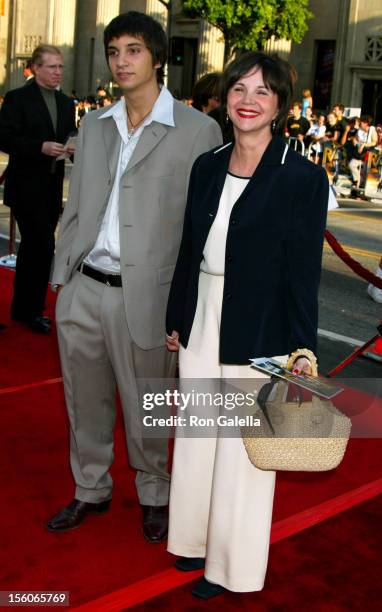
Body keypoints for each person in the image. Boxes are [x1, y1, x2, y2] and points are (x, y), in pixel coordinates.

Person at [46, 12, 221, 540]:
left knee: (148, 403)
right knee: (84, 399)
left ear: (158, 58)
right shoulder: (94, 124)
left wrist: (184, 306)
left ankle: (154, 493)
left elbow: (201, 227)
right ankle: (90, 489)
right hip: (85, 287)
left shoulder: (197, 130)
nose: (121, 61)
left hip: (147, 296)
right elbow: (78, 206)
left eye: (134, 50)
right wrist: (61, 278)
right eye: (114, 51)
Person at [166, 51, 328, 599]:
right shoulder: (207, 164)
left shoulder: (301, 177)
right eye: (239, 88)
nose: (248, 100)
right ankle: (190, 540)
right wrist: (178, 317)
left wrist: (303, 344)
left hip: (261, 325)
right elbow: (189, 250)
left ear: (279, 103)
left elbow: (304, 272)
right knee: (196, 436)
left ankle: (230, 567)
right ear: (225, 97)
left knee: (243, 452)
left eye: (262, 91)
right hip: (204, 314)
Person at [0, 44, 76, 333]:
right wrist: (38, 147)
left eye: (60, 67)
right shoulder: (18, 99)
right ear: (35, 67)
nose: (58, 72)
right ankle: (29, 310)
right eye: (52, 66)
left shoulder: (66, 103)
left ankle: (25, 308)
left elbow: (70, 136)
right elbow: (4, 137)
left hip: (52, 187)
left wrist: (72, 149)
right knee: (41, 246)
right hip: (25, 186)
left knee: (37, 248)